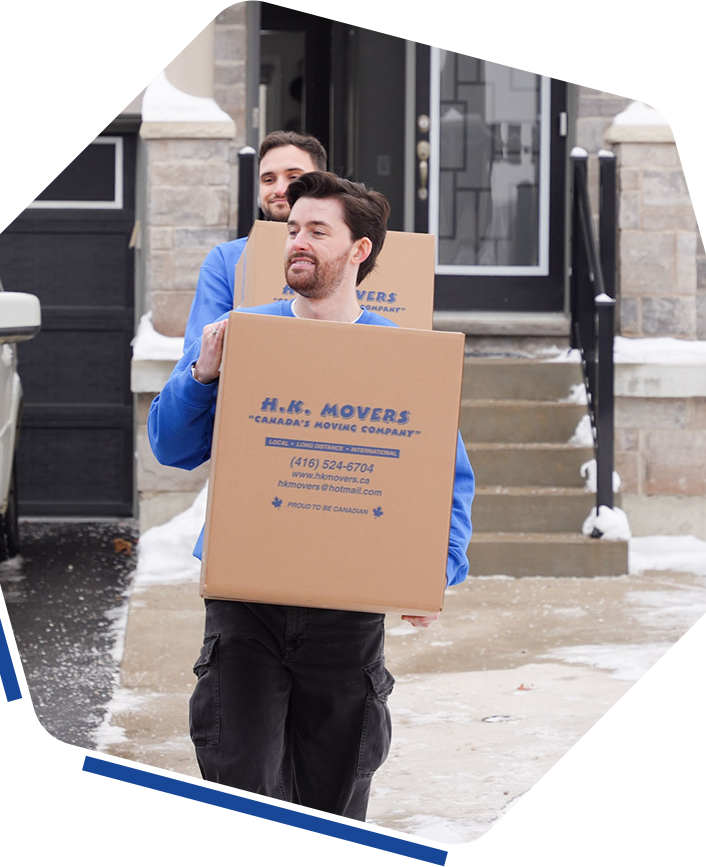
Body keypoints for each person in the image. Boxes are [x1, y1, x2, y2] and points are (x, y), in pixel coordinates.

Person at [148, 171, 475, 849]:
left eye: (316, 231)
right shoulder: (245, 335)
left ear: (358, 250)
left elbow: (446, 471)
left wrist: (435, 568)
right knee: (243, 789)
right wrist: (202, 374)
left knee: (330, 800)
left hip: (344, 611)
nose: (297, 242)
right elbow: (172, 448)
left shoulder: (398, 352)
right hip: (246, 601)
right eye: (292, 229)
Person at [182, 130, 328, 349]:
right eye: (268, 179)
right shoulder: (227, 260)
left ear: (324, 183)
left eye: (294, 177)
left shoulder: (352, 253)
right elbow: (197, 352)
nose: (280, 189)